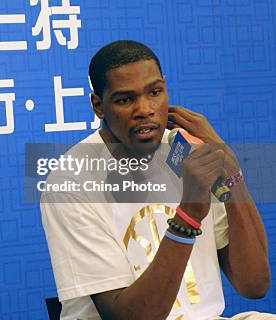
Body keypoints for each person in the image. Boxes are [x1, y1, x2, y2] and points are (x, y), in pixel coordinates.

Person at [40, 40, 272, 319]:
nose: (145, 109)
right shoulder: (71, 182)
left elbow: (254, 285)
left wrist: (230, 170)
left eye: (155, 92)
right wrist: (189, 213)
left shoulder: (186, 152)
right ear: (98, 106)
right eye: (125, 99)